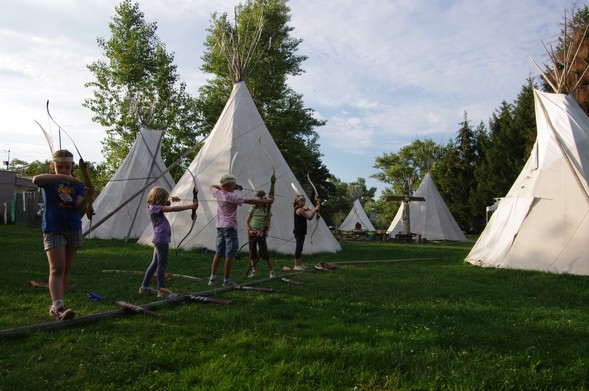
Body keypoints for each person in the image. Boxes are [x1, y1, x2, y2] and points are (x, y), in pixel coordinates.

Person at [33, 149, 91, 321]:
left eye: (67, 167)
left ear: (73, 166)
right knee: (57, 267)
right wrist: (63, 178)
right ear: (53, 166)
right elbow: (36, 179)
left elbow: (78, 207)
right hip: (53, 227)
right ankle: (59, 307)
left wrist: (88, 195)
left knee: (65, 268)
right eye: (60, 167)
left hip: (73, 227)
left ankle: (57, 304)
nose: (64, 170)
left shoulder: (77, 185)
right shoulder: (50, 181)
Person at [208, 174, 273, 287]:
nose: (235, 186)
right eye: (233, 184)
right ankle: (226, 281)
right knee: (230, 254)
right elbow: (250, 201)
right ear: (228, 185)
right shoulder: (233, 197)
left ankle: (212, 279)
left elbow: (212, 186)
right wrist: (267, 201)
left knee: (218, 253)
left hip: (220, 227)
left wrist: (224, 188)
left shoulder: (218, 193)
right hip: (230, 227)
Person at [139, 187, 199, 298]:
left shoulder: (152, 207)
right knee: (162, 266)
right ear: (160, 198)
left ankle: (144, 287)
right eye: (165, 198)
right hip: (161, 239)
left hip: (159, 238)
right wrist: (190, 206)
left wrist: (170, 200)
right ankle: (162, 291)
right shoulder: (155, 208)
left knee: (154, 264)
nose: (167, 200)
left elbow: (166, 205)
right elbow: (171, 209)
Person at [245, 190, 275, 279]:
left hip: (261, 234)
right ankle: (254, 271)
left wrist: (266, 232)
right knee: (252, 252)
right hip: (252, 233)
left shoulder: (267, 210)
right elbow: (246, 221)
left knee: (264, 253)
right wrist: (249, 230)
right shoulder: (253, 208)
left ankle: (272, 271)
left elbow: (268, 223)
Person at [292, 194, 320, 271]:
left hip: (300, 231)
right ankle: (296, 265)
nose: (304, 201)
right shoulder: (300, 210)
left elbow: (304, 209)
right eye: (302, 200)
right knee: (298, 248)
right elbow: (309, 218)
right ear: (297, 201)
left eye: (304, 200)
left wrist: (307, 208)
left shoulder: (299, 208)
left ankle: (299, 264)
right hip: (299, 232)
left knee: (300, 248)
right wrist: (315, 210)